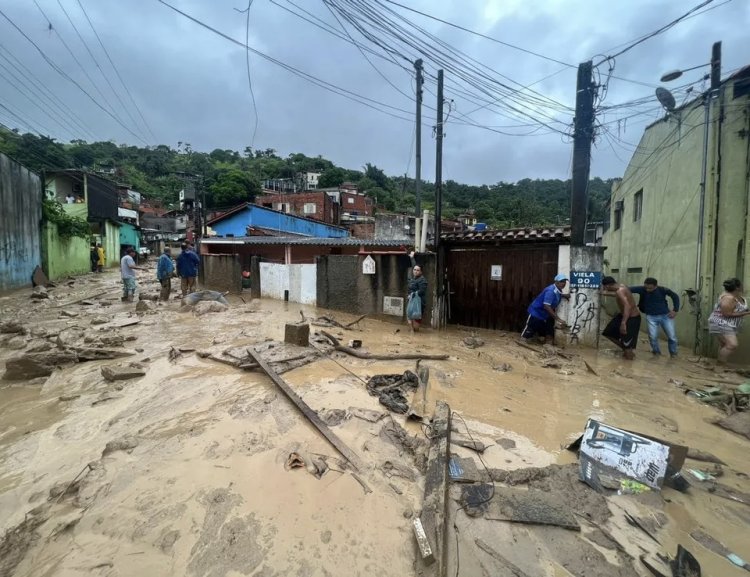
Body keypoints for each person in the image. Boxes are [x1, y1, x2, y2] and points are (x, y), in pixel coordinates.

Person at [630, 277, 680, 358]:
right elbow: (627, 289)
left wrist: (675, 310)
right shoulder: (642, 289)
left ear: (655, 286)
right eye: (646, 287)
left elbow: (675, 296)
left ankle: (673, 354)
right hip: (651, 317)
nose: (647, 290)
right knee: (652, 337)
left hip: (666, 316)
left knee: (672, 337)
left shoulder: (663, 290)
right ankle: (656, 353)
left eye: (650, 288)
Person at [708, 277, 750, 364]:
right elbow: (726, 314)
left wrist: (745, 311)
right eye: (741, 285)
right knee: (732, 344)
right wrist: (746, 313)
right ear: (737, 287)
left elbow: (739, 308)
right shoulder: (728, 298)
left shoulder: (737, 297)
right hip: (721, 322)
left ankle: (719, 366)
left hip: (728, 324)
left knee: (724, 344)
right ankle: (720, 365)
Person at [521, 274, 570, 344]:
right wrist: (557, 318)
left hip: (543, 313)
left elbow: (556, 294)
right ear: (556, 282)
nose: (563, 283)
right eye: (561, 281)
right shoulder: (550, 291)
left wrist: (564, 295)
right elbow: (546, 306)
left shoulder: (557, 289)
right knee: (531, 326)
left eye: (565, 282)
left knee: (543, 326)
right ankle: (523, 339)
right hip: (536, 311)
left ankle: (541, 339)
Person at [601, 276, 642, 360]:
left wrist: (623, 323)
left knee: (627, 343)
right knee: (608, 333)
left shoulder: (620, 291)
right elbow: (617, 295)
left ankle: (629, 364)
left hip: (631, 318)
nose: (604, 289)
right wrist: (602, 293)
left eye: (604, 287)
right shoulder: (621, 287)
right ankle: (626, 350)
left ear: (607, 286)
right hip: (622, 315)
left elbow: (628, 306)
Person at [407, 251, 427, 332]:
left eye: (418, 270)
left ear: (421, 272)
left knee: (416, 324)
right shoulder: (413, 278)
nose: (415, 271)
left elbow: (422, 291)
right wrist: (412, 257)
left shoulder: (422, 280)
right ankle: (412, 331)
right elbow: (413, 266)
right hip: (411, 300)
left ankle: (414, 330)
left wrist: (412, 295)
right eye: (414, 270)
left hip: (419, 303)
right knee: (409, 316)